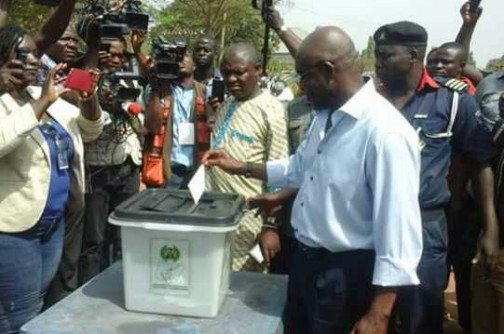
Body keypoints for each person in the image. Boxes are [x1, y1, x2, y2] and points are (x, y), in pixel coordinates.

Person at [203, 27, 423, 334]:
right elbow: (298, 167)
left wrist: (379, 313)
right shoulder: (325, 117)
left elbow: (399, 231)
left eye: (304, 78)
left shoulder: (385, 133)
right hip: (307, 265)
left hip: (346, 274)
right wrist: (241, 166)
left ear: (328, 72)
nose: (302, 89)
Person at [373, 21, 499, 334]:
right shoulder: (369, 101)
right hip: (370, 224)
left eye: (385, 55)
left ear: (413, 55)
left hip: (424, 226)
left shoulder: (453, 101)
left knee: (421, 316)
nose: (377, 62)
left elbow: (479, 161)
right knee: (373, 313)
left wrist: (491, 228)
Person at [0, 24, 104, 333]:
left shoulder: (43, 94)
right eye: (23, 54)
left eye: (35, 54)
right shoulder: (15, 99)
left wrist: (88, 98)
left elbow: (90, 130)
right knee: (17, 316)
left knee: (40, 306)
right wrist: (41, 102)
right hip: (15, 232)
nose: (33, 60)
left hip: (54, 225)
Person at [207, 42, 289, 272]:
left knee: (243, 288)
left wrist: (270, 226)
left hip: (249, 223)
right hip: (215, 215)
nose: (231, 79)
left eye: (239, 72)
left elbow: (279, 174)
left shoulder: (271, 111)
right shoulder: (225, 106)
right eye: (226, 73)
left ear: (258, 70)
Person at [78, 36, 143, 284]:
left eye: (121, 55)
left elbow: (145, 123)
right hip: (98, 168)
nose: (116, 60)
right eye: (110, 54)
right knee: (93, 239)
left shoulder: (130, 80)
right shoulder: (86, 77)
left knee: (124, 235)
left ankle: (121, 286)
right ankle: (88, 291)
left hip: (129, 167)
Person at [143, 45, 208, 189]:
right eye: (175, 58)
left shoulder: (205, 92)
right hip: (167, 168)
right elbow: (151, 127)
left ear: (195, 64)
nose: (180, 61)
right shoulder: (158, 90)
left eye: (184, 56)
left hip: (196, 169)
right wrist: (155, 87)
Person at [472, 72, 504, 334]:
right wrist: (491, 229)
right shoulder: (499, 133)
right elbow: (485, 161)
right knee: (485, 316)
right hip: (495, 236)